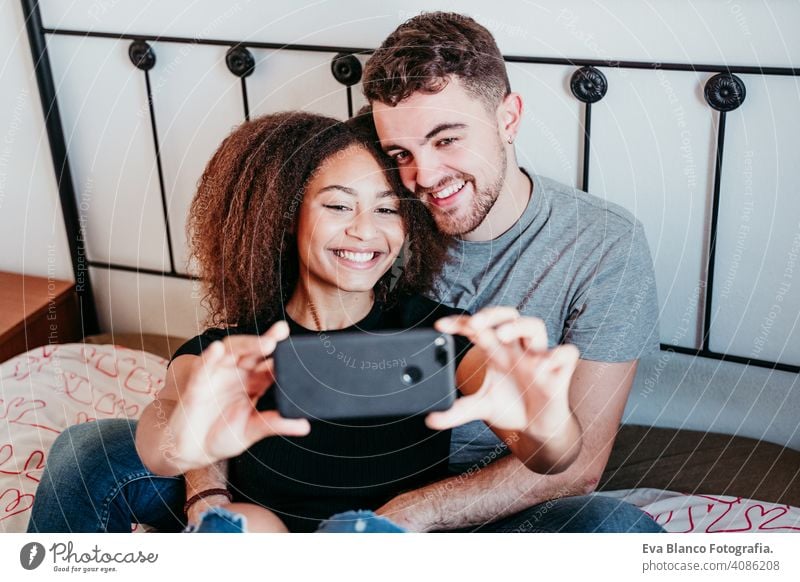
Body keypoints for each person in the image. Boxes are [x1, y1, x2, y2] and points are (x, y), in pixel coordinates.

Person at [28, 111, 581, 533]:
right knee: (90, 450)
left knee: (610, 524)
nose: (367, 231)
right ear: (285, 218)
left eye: (387, 208)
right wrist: (189, 461)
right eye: (339, 206)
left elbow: (550, 456)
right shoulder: (233, 347)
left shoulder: (435, 334)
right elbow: (162, 429)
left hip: (389, 541)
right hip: (258, 539)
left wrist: (546, 421)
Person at [346, 11, 664, 533]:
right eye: (400, 152)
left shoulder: (605, 245)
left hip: (499, 502)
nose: (423, 177)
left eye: (447, 140)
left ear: (508, 118)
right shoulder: (374, 221)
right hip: (355, 474)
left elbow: (580, 466)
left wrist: (415, 514)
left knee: (615, 529)